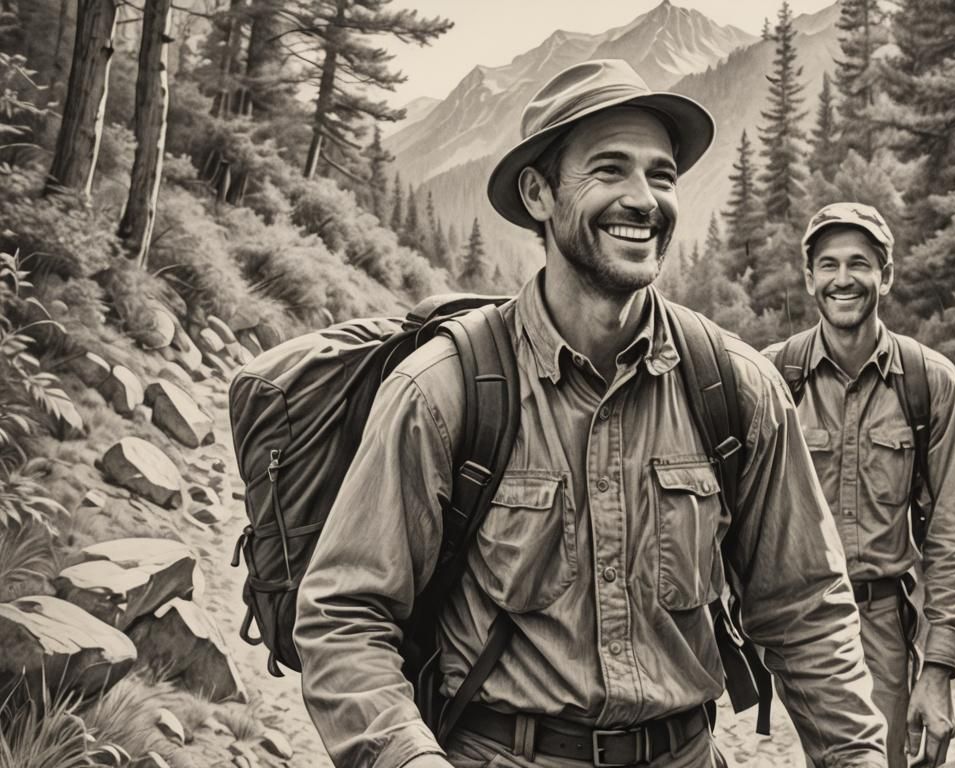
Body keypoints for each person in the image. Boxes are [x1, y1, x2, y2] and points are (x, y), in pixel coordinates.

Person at [293, 60, 889, 768]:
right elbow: (344, 616)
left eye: (661, 176)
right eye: (610, 171)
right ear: (538, 192)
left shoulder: (737, 389)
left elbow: (806, 609)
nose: (644, 200)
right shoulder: (444, 392)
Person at [762, 203, 955, 768]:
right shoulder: (768, 381)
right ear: (809, 277)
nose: (842, 279)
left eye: (859, 263)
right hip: (791, 629)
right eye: (827, 264)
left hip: (882, 624)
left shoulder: (930, 383)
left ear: (886, 275)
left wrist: (938, 669)